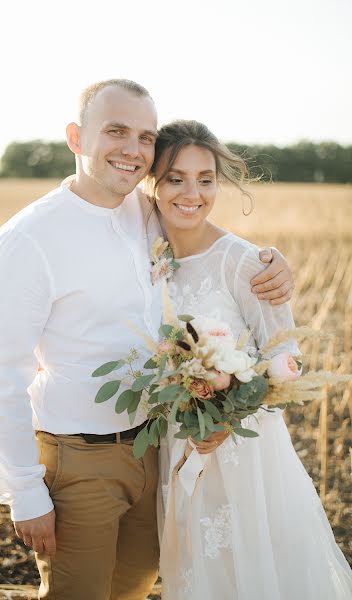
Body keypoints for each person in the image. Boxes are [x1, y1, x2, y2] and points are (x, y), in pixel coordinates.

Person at [0, 80, 294, 600]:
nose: (133, 149)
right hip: (79, 460)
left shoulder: (144, 215)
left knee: (133, 589)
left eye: (145, 137)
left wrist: (271, 264)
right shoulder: (27, 241)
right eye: (116, 131)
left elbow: (206, 248)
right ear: (76, 137)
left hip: (154, 449)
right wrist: (24, 493)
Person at [145, 119, 352, 599]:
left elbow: (285, 355)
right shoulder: (148, 251)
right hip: (178, 450)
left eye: (206, 179)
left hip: (242, 455)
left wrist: (229, 413)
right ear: (152, 182)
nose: (192, 193)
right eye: (175, 178)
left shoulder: (245, 263)